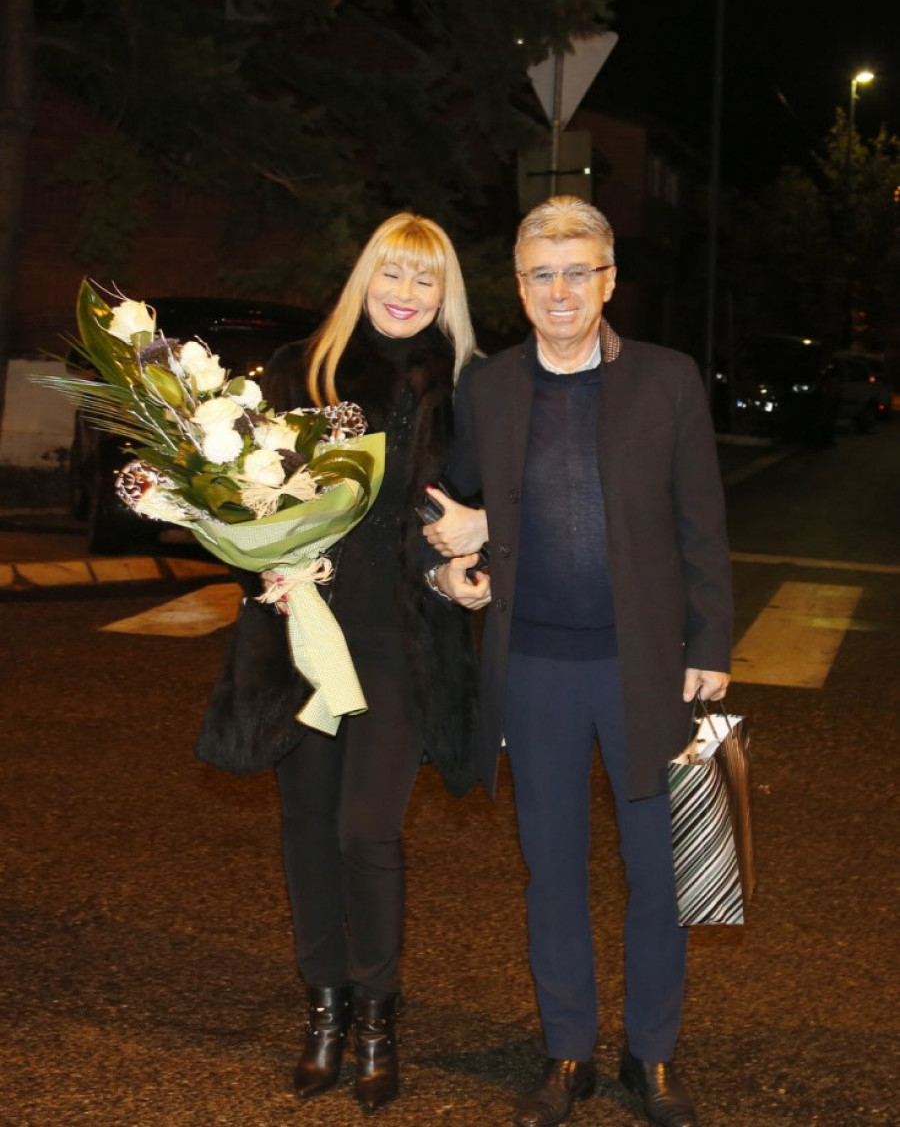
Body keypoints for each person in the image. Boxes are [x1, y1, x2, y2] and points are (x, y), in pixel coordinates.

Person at [424, 196, 733, 1127]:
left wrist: (711, 644)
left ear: (608, 281)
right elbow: (443, 503)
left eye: (577, 272)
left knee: (660, 871)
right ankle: (568, 1052)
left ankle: (653, 1055)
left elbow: (702, 520)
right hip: (533, 668)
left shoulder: (668, 380)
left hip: (645, 667)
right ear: (520, 289)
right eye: (541, 276)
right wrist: (450, 570)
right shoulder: (488, 388)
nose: (560, 292)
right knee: (552, 869)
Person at [197, 213, 479, 1112]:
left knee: (368, 830)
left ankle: (378, 1020)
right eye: (392, 273)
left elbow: (494, 510)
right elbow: (240, 501)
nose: (405, 293)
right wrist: (267, 561)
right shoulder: (298, 372)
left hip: (404, 639)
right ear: (365, 278)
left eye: (425, 280)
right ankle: (324, 1011)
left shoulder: (466, 389)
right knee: (310, 825)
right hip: (303, 633)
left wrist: (473, 558)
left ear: (445, 296)